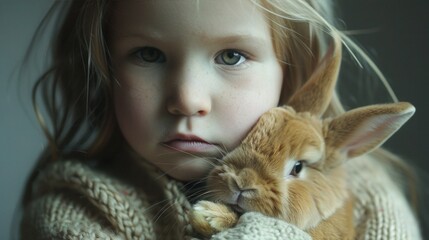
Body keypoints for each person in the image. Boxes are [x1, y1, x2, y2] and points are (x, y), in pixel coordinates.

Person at [19, 0, 422, 239]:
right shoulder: (76, 209)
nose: (187, 99)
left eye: (231, 56)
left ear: (291, 70)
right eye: (149, 54)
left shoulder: (368, 193)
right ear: (106, 65)